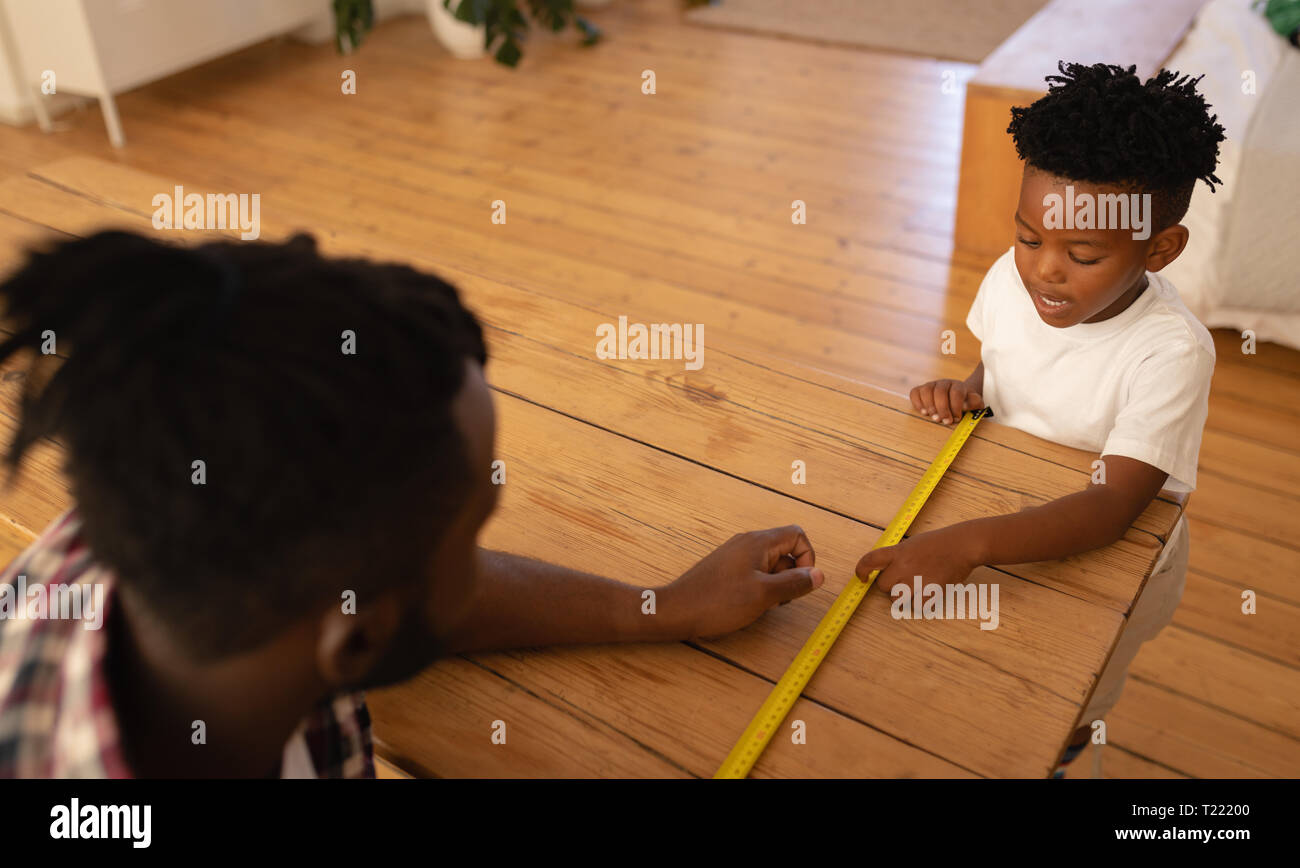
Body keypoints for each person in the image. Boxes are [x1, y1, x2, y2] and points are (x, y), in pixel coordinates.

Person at [0, 230, 823, 777]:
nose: (483, 554)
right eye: (471, 536)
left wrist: (658, 606)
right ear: (354, 637)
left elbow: (409, 592)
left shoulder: (172, 496)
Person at [855, 62, 1224, 776]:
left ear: (1159, 249)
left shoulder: (1172, 353)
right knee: (991, 680)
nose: (1044, 271)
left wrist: (967, 545)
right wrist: (967, 389)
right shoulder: (1011, 277)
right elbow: (1002, 364)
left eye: (1082, 254)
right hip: (1005, 517)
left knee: (1060, 707)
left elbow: (1113, 508)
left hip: (1112, 567)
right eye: (1030, 239)